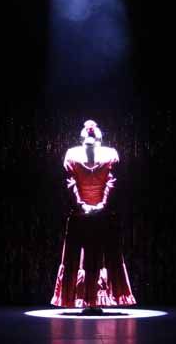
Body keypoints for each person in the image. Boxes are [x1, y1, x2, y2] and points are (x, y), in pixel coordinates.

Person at [51, 120, 136, 309]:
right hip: (90, 214)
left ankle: (93, 300)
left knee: (100, 255)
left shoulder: (108, 154)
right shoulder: (73, 154)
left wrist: (96, 206)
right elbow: (70, 182)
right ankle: (88, 300)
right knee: (87, 255)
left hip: (96, 215)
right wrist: (89, 206)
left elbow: (112, 182)